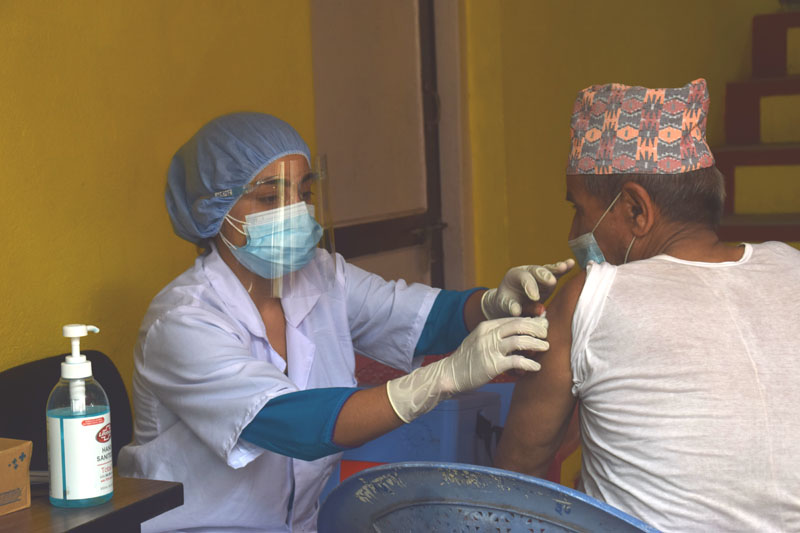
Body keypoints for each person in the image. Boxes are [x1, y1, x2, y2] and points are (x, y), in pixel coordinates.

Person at [118, 111, 574, 532]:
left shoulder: (319, 275)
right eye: (268, 196)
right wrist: (440, 379)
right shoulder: (181, 322)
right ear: (212, 211)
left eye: (304, 193)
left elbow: (419, 317)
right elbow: (290, 423)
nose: (295, 211)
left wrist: (492, 303)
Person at [494, 79, 800, 531]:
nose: (574, 231)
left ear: (637, 210)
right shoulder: (790, 265)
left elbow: (514, 482)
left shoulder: (590, 296)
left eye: (579, 208)